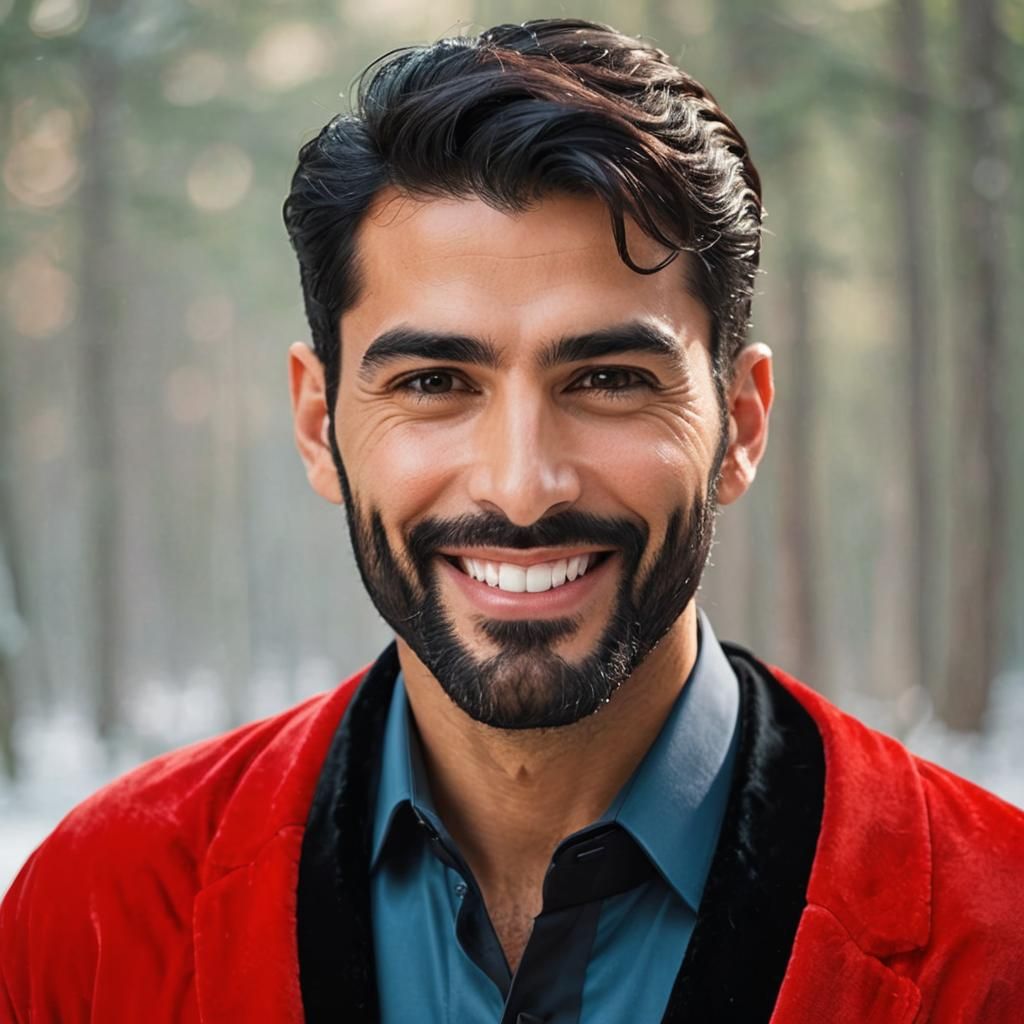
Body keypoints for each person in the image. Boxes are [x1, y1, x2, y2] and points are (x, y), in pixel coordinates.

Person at [2, 17, 1022, 1024]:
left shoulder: (998, 936)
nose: (522, 486)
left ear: (741, 424)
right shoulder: (94, 917)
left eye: (611, 379)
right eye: (436, 381)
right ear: (320, 424)